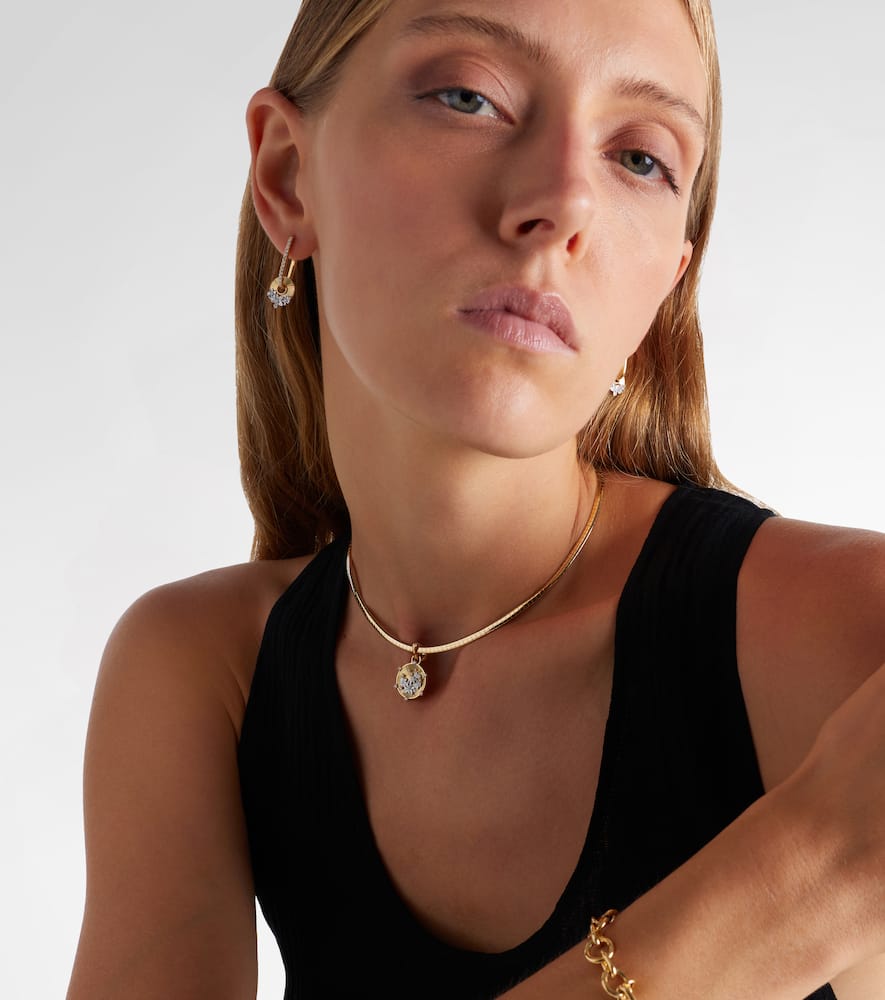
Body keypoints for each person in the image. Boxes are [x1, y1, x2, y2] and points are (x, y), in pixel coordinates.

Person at [66, 0, 885, 997]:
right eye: (469, 97)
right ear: (286, 175)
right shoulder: (207, 671)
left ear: (666, 284)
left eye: (639, 159)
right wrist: (812, 872)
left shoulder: (849, 638)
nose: (563, 203)